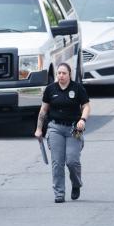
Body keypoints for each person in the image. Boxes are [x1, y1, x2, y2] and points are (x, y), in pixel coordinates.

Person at [34, 63, 91, 203]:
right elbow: (43, 111)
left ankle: (76, 184)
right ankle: (59, 193)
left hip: (74, 129)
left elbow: (86, 106)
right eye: (59, 73)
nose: (61, 76)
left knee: (72, 161)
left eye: (64, 73)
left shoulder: (77, 88)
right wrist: (39, 129)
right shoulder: (50, 89)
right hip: (55, 128)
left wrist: (83, 119)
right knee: (57, 162)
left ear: (69, 74)